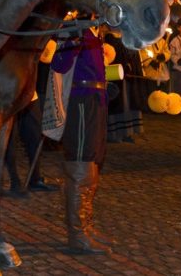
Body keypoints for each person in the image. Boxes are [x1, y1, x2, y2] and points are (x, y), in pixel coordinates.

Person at [52, 25, 113, 255]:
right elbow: (59, 65)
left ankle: (86, 226)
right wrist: (71, 41)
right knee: (81, 162)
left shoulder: (95, 33)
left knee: (94, 161)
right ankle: (77, 235)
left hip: (97, 101)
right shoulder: (75, 30)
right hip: (80, 102)